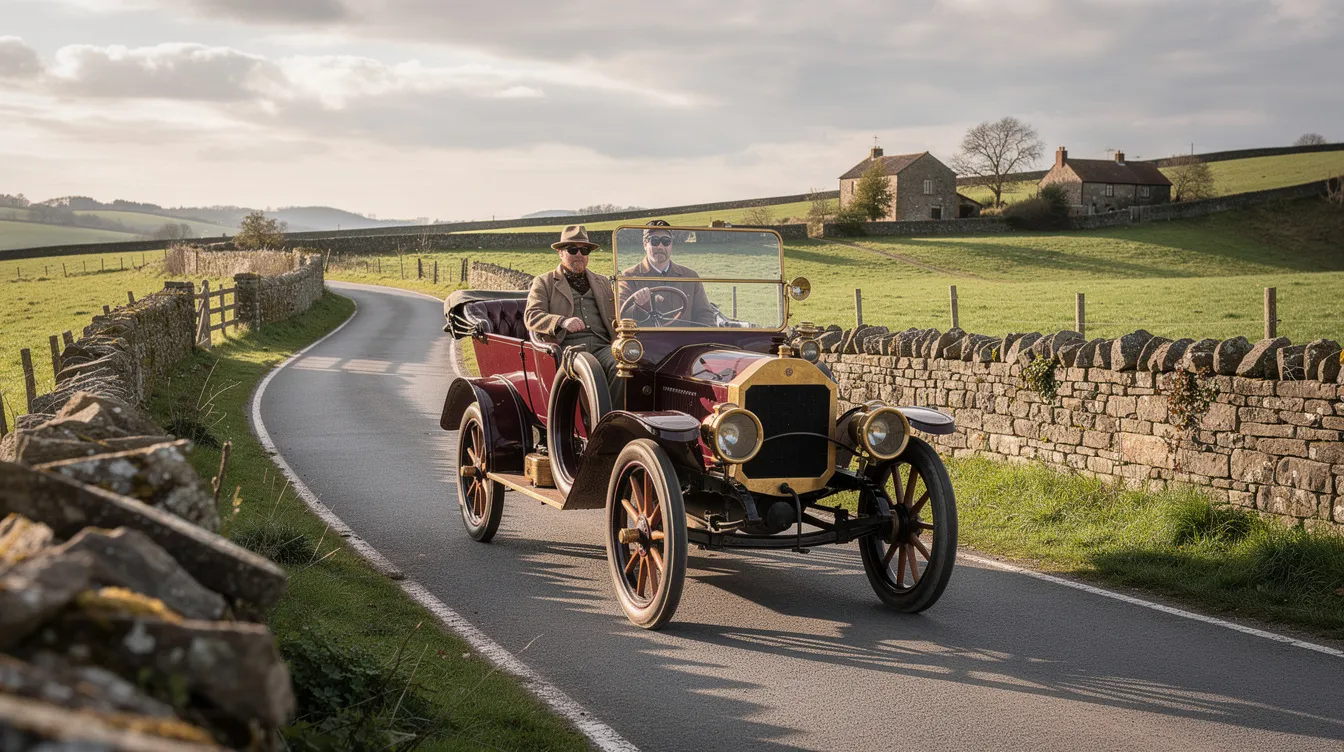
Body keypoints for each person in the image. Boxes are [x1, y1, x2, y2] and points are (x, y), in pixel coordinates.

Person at [524, 225, 624, 406]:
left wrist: (639, 303)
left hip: (603, 345)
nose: (579, 254)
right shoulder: (544, 282)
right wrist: (562, 321)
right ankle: (594, 423)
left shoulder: (601, 281)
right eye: (572, 249)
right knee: (590, 368)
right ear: (560, 253)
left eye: (584, 250)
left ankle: (613, 421)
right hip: (569, 348)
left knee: (623, 361)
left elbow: (618, 311)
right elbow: (531, 315)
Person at [618, 219, 716, 327]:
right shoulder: (629, 277)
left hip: (686, 342)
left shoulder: (690, 277)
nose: (660, 247)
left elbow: (704, 314)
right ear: (645, 244)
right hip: (645, 341)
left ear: (671, 245)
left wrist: (707, 339)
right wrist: (640, 308)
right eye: (654, 241)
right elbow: (621, 318)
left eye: (665, 241)